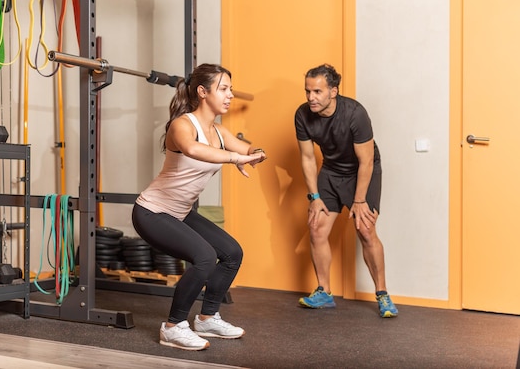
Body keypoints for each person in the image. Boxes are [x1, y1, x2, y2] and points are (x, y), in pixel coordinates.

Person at [132, 63, 267, 351]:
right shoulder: (182, 125)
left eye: (230, 88)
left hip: (181, 213)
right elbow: (193, 149)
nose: (230, 95)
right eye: (224, 89)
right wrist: (233, 158)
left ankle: (207, 318)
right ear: (203, 92)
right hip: (152, 212)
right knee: (205, 256)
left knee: (232, 253)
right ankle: (172, 327)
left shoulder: (219, 132)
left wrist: (255, 155)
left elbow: (250, 149)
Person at [294, 63, 398, 318]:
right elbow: (307, 158)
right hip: (331, 171)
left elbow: (366, 160)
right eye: (308, 91)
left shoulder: (355, 113)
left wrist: (360, 200)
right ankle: (324, 292)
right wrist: (314, 197)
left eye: (317, 91)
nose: (311, 97)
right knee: (316, 226)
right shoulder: (302, 114)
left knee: (365, 229)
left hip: (362, 171)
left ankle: (383, 294)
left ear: (333, 91)